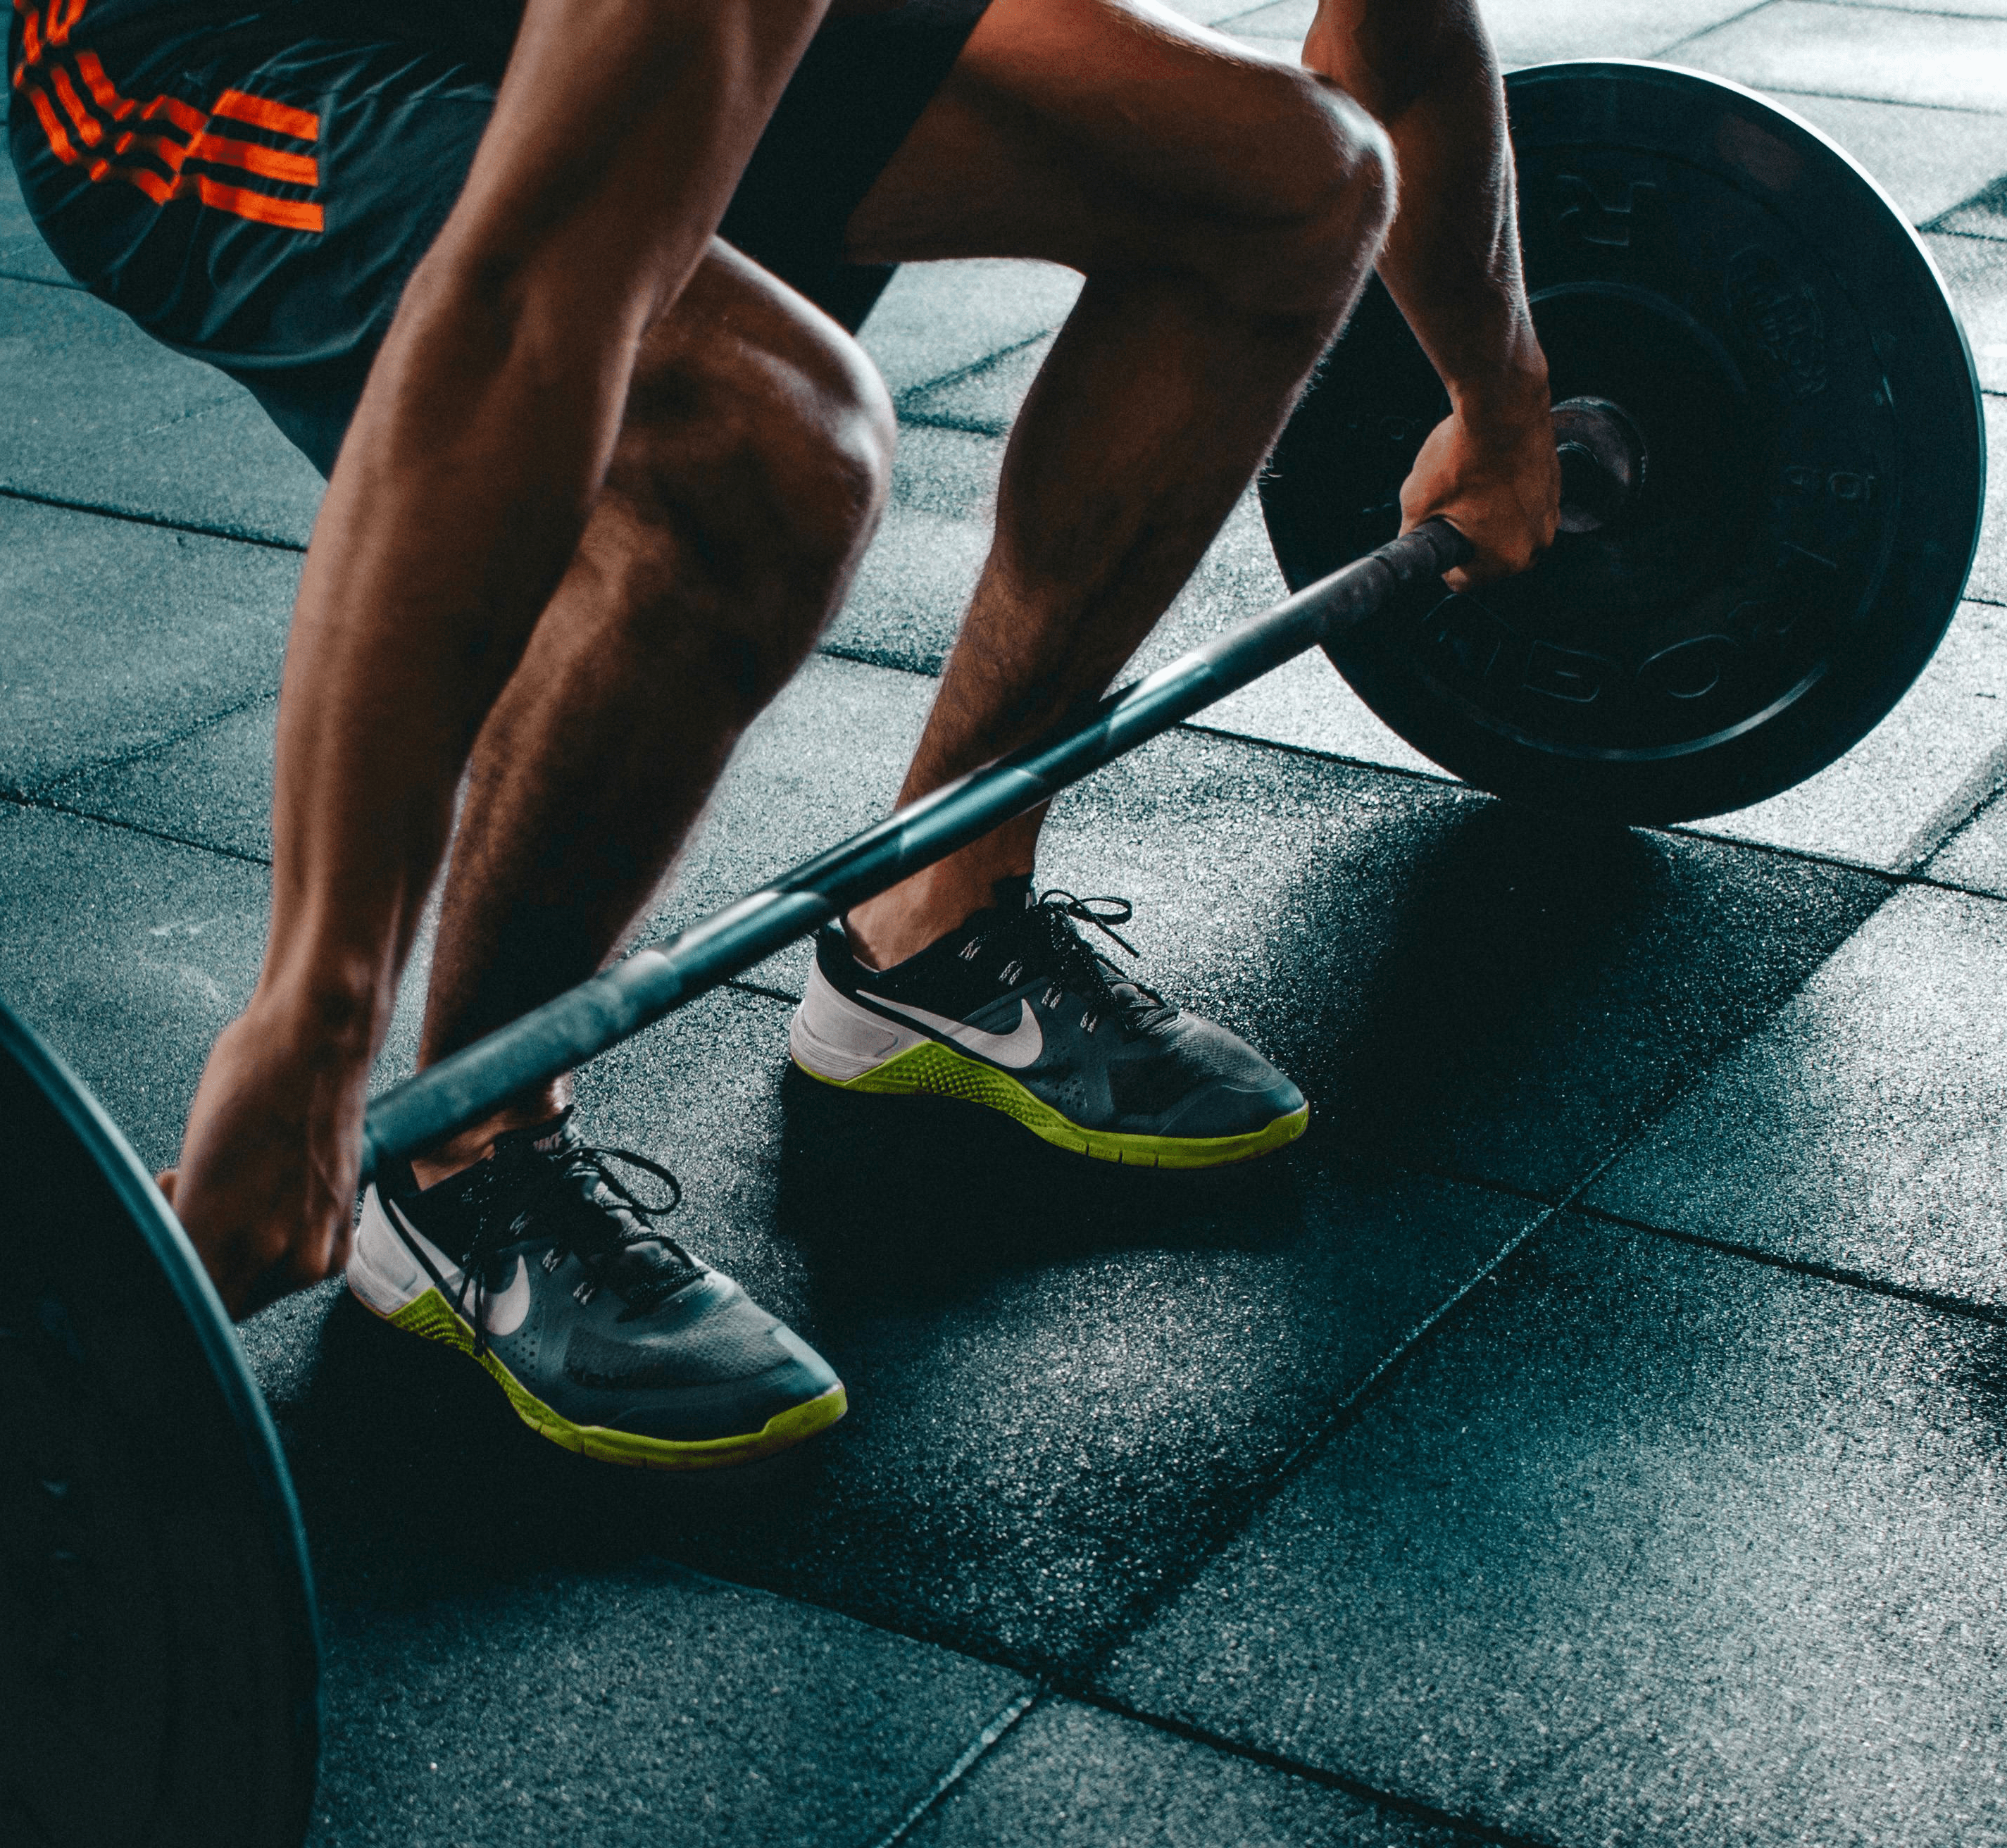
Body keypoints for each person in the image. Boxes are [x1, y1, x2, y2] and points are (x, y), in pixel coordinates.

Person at [8, 0, 1558, 1468]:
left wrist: (1499, 402)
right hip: (209, 48)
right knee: (764, 442)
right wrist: (316, 1014)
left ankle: (934, 917)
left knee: (1289, 183)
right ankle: (464, 1159)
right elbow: (526, 309)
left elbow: (1401, 44)